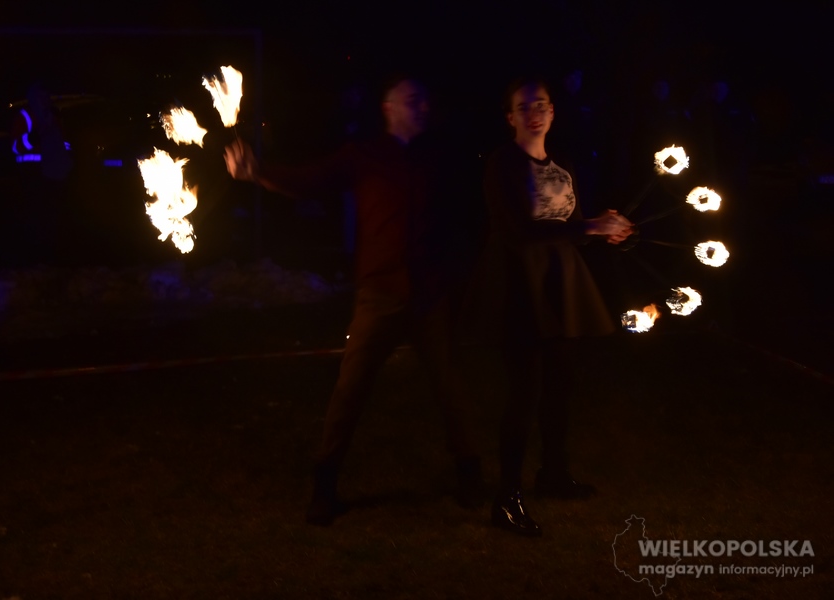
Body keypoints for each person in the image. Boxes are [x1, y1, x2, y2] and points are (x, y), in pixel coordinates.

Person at [224, 77, 485, 525]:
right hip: (379, 294)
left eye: (425, 100)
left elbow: (463, 216)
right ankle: (324, 486)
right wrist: (259, 172)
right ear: (389, 108)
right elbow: (311, 180)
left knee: (451, 388)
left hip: (430, 294)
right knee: (350, 390)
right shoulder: (363, 156)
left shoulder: (440, 157)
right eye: (413, 100)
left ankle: (470, 475)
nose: (423, 106)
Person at [481, 77, 632, 536]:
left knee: (561, 384)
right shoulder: (503, 163)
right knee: (524, 391)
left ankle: (553, 474)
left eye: (542, 105)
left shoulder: (562, 162)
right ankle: (507, 497)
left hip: (562, 282)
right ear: (510, 117)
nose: (535, 113)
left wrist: (610, 231)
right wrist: (588, 227)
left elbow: (571, 225)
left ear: (553, 112)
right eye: (525, 106)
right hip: (522, 283)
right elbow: (518, 231)